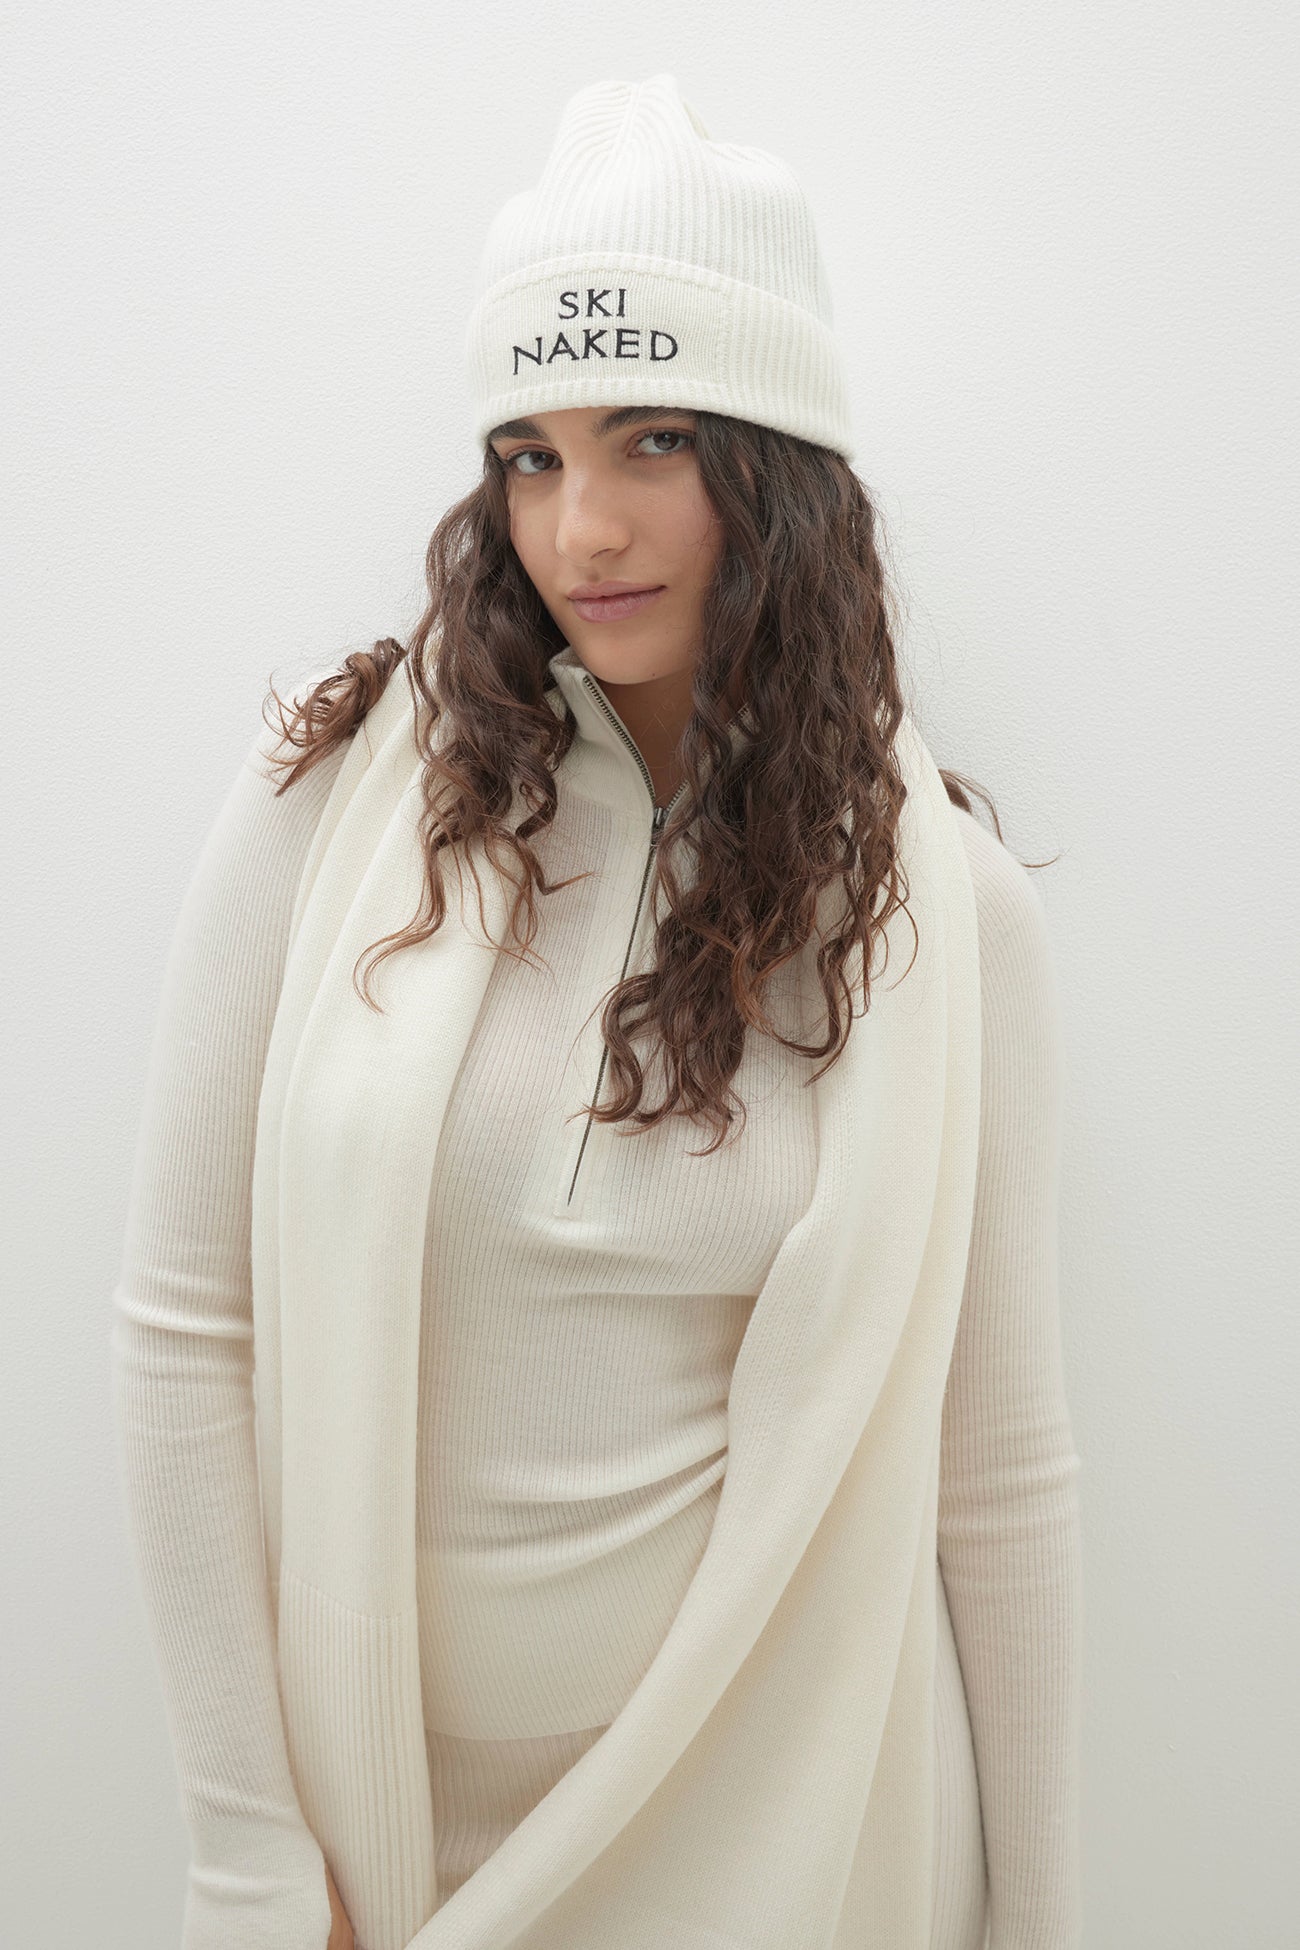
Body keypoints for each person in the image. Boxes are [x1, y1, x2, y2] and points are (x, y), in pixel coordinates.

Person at [111, 72, 1083, 1950]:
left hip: (773, 1844)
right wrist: (247, 1848)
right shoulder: (330, 802)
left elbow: (1001, 1473)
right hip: (380, 1853)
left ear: (778, 471)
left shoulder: (943, 917)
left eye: (654, 439)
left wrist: (1040, 1925)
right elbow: (181, 1332)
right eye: (534, 454)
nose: (585, 527)